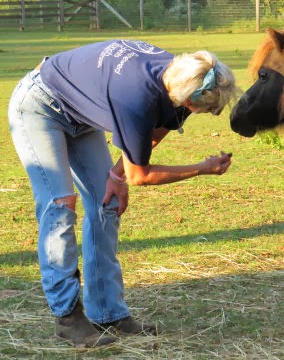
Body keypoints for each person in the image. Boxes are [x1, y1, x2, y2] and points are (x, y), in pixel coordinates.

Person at [8, 39, 239, 347]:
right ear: (188, 100)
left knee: (108, 202)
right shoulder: (136, 97)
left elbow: (155, 133)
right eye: (207, 108)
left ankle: (107, 311)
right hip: (39, 106)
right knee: (60, 204)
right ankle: (67, 317)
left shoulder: (180, 75)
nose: (209, 114)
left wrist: (115, 175)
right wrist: (202, 168)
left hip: (80, 115)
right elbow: (140, 175)